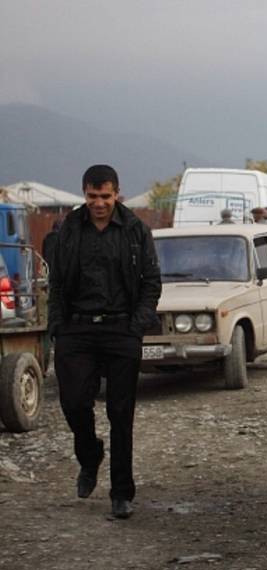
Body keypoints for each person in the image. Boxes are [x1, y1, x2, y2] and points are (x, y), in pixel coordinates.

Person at [48, 164, 162, 518]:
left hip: (120, 330)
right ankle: (89, 455)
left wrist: (137, 325)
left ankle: (122, 494)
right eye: (93, 196)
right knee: (74, 403)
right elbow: (55, 282)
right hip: (76, 329)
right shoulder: (69, 229)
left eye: (106, 196)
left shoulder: (134, 230)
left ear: (117, 194)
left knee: (120, 413)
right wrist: (57, 326)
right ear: (84, 194)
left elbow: (151, 282)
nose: (99, 203)